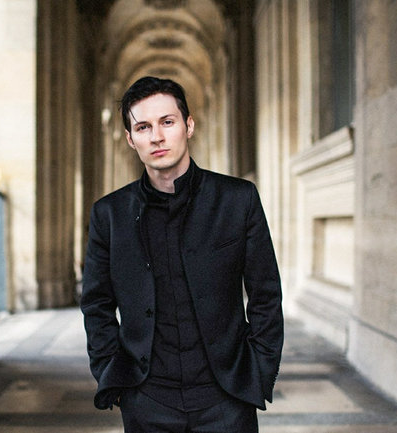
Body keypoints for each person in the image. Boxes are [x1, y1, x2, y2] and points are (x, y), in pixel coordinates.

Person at [80, 76, 283, 433]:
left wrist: (260, 369)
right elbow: (96, 303)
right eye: (143, 127)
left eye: (167, 122)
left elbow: (265, 294)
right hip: (147, 400)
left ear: (188, 126)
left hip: (226, 398)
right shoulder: (108, 215)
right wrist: (112, 372)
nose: (156, 136)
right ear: (130, 139)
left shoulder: (238, 199)